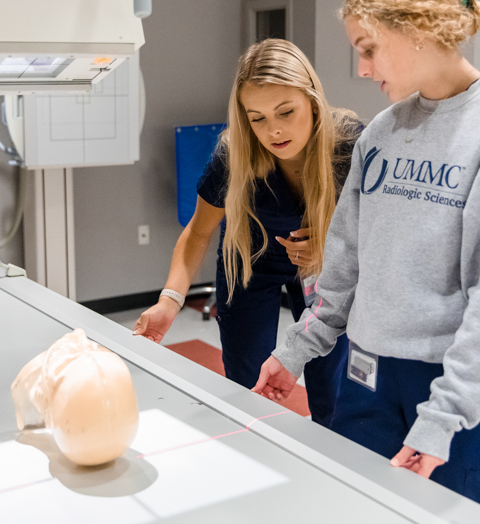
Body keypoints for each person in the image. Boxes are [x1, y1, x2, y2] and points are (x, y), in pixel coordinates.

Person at [253, 0, 480, 517]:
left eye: (369, 49)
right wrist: (297, 349)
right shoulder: (384, 131)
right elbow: (344, 259)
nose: (363, 68)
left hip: (461, 390)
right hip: (367, 378)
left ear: (418, 29)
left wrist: (442, 419)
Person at [134, 38, 363, 427]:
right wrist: (170, 301)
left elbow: (379, 237)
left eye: (285, 112)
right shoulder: (234, 153)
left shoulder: (349, 145)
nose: (273, 131)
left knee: (333, 392)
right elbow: (197, 234)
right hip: (250, 261)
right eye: (257, 118)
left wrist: (328, 253)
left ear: (311, 99)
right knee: (245, 386)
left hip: (326, 271)